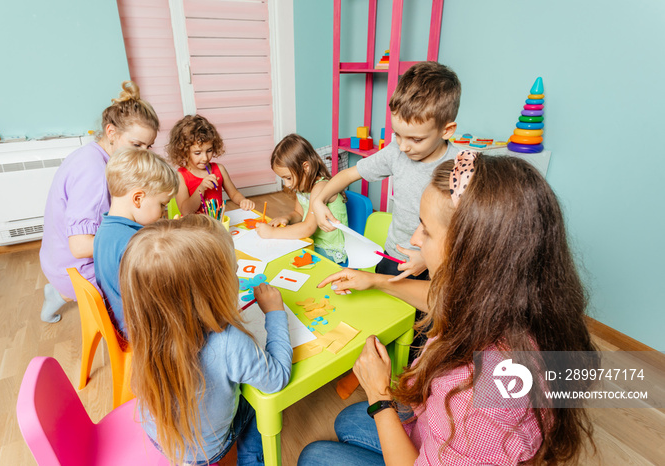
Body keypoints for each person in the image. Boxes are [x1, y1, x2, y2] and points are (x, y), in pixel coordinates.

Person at [299, 153, 597, 466]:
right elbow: (442, 298)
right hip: (434, 430)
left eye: (426, 230)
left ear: (469, 253)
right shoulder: (517, 299)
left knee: (314, 457)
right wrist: (377, 281)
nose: (415, 239)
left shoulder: (479, 392)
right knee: (348, 421)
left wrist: (378, 395)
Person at [120, 215, 292, 465]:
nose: (236, 278)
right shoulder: (229, 342)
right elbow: (277, 378)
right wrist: (276, 313)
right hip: (207, 450)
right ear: (208, 293)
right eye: (233, 272)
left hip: (159, 436)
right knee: (258, 404)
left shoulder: (147, 328)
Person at [312, 61, 461, 280]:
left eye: (416, 139)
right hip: (394, 257)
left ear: (446, 130)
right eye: (397, 134)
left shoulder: (462, 166)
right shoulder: (395, 152)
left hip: (437, 265)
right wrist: (319, 200)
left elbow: (466, 231)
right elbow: (348, 174)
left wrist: (428, 259)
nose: (403, 146)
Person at [39, 81, 159, 323]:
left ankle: (59, 292)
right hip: (75, 270)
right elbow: (80, 247)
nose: (143, 154)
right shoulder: (94, 171)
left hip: (56, 260)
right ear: (111, 132)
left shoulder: (94, 154)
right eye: (136, 145)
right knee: (156, 287)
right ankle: (64, 291)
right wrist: (139, 239)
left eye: (148, 147)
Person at [93, 148, 179, 338]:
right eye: (162, 205)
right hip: (143, 331)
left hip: (124, 320)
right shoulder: (133, 244)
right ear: (138, 199)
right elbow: (160, 293)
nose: (163, 213)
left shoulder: (107, 228)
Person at [255, 134, 349, 264]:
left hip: (329, 252)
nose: (287, 184)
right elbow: (298, 214)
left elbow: (308, 228)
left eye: (288, 178)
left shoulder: (320, 187)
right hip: (311, 243)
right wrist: (287, 218)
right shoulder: (302, 187)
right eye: (283, 179)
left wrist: (272, 232)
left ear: (306, 167)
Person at [166, 114, 255, 215]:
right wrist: (201, 188)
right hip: (193, 226)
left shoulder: (219, 169)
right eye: (198, 153)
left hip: (216, 223)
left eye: (209, 150)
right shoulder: (181, 176)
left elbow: (234, 194)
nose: (205, 158)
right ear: (184, 151)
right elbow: (186, 211)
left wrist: (242, 201)